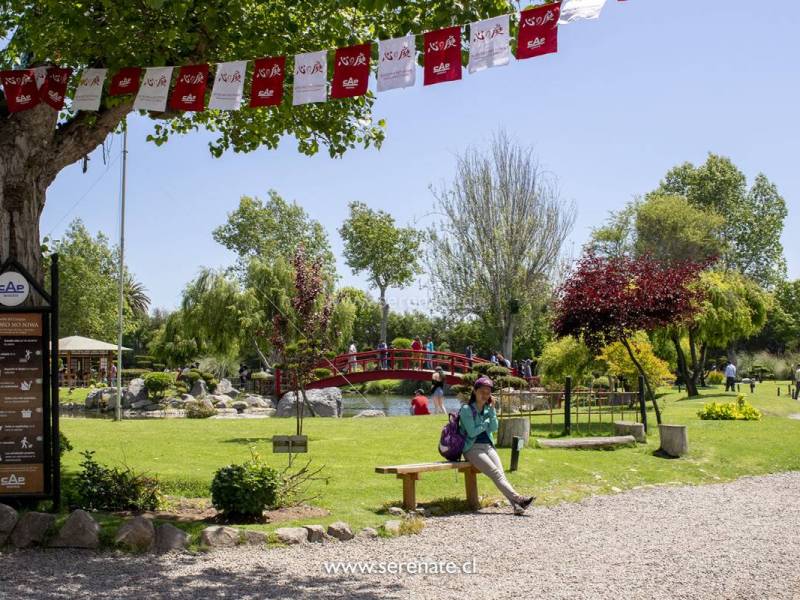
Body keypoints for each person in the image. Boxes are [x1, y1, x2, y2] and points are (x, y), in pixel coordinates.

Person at [459, 376, 534, 515]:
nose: (485, 395)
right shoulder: (466, 409)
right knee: (495, 473)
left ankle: (517, 506)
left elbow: (494, 427)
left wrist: (492, 410)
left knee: (500, 474)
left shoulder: (488, 409)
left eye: (488, 393)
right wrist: (485, 423)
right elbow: (472, 432)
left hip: (488, 446)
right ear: (475, 391)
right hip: (472, 449)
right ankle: (519, 499)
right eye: (482, 392)